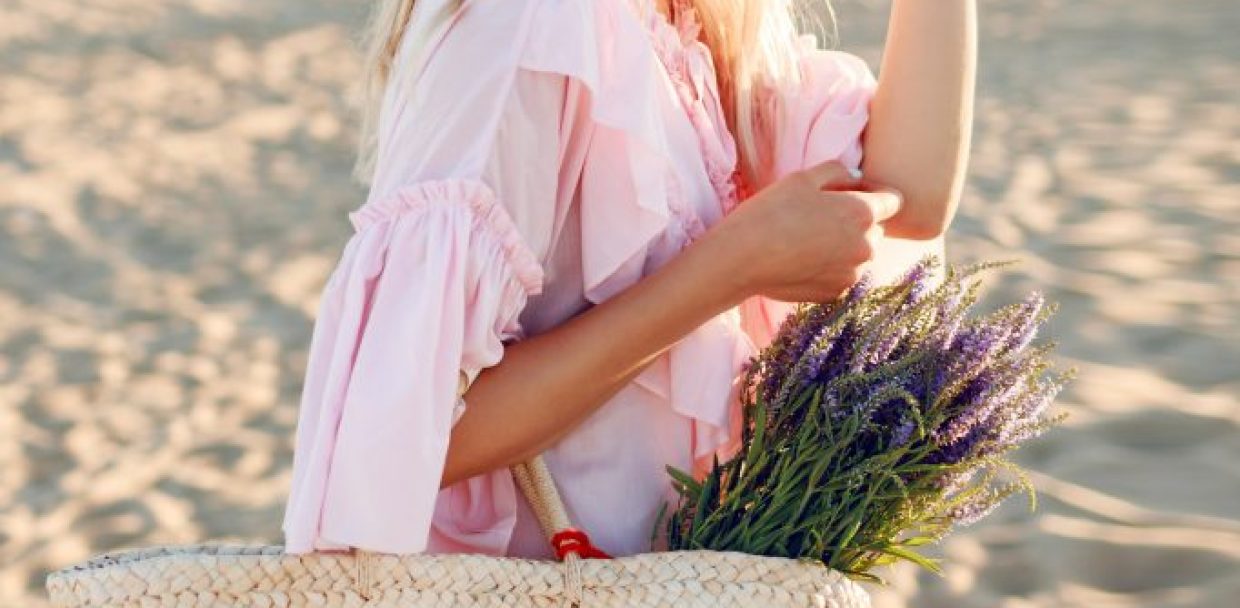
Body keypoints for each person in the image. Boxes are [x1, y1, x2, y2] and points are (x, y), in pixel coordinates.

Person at [281, 0, 975, 559]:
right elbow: (397, 444)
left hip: (660, 570)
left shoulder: (698, 28)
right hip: (540, 574)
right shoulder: (527, 24)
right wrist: (729, 268)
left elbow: (905, 195)